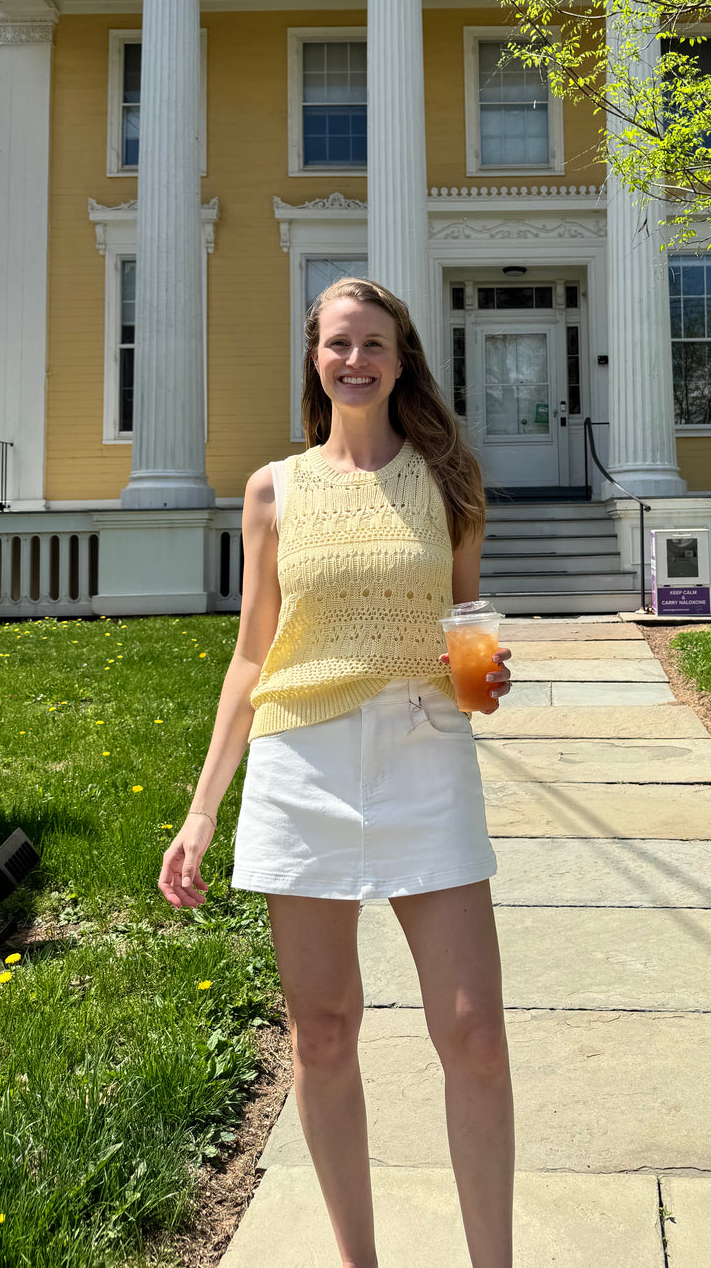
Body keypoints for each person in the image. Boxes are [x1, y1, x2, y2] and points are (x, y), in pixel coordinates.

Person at [158, 277, 514, 1268]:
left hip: (424, 753)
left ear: (402, 362)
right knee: (322, 1032)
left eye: (374, 343)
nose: (355, 359)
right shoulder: (272, 491)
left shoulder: (451, 482)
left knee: (475, 1034)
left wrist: (486, 679)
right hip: (301, 763)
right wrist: (201, 813)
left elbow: (466, 626)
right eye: (338, 343)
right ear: (314, 359)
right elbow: (251, 654)